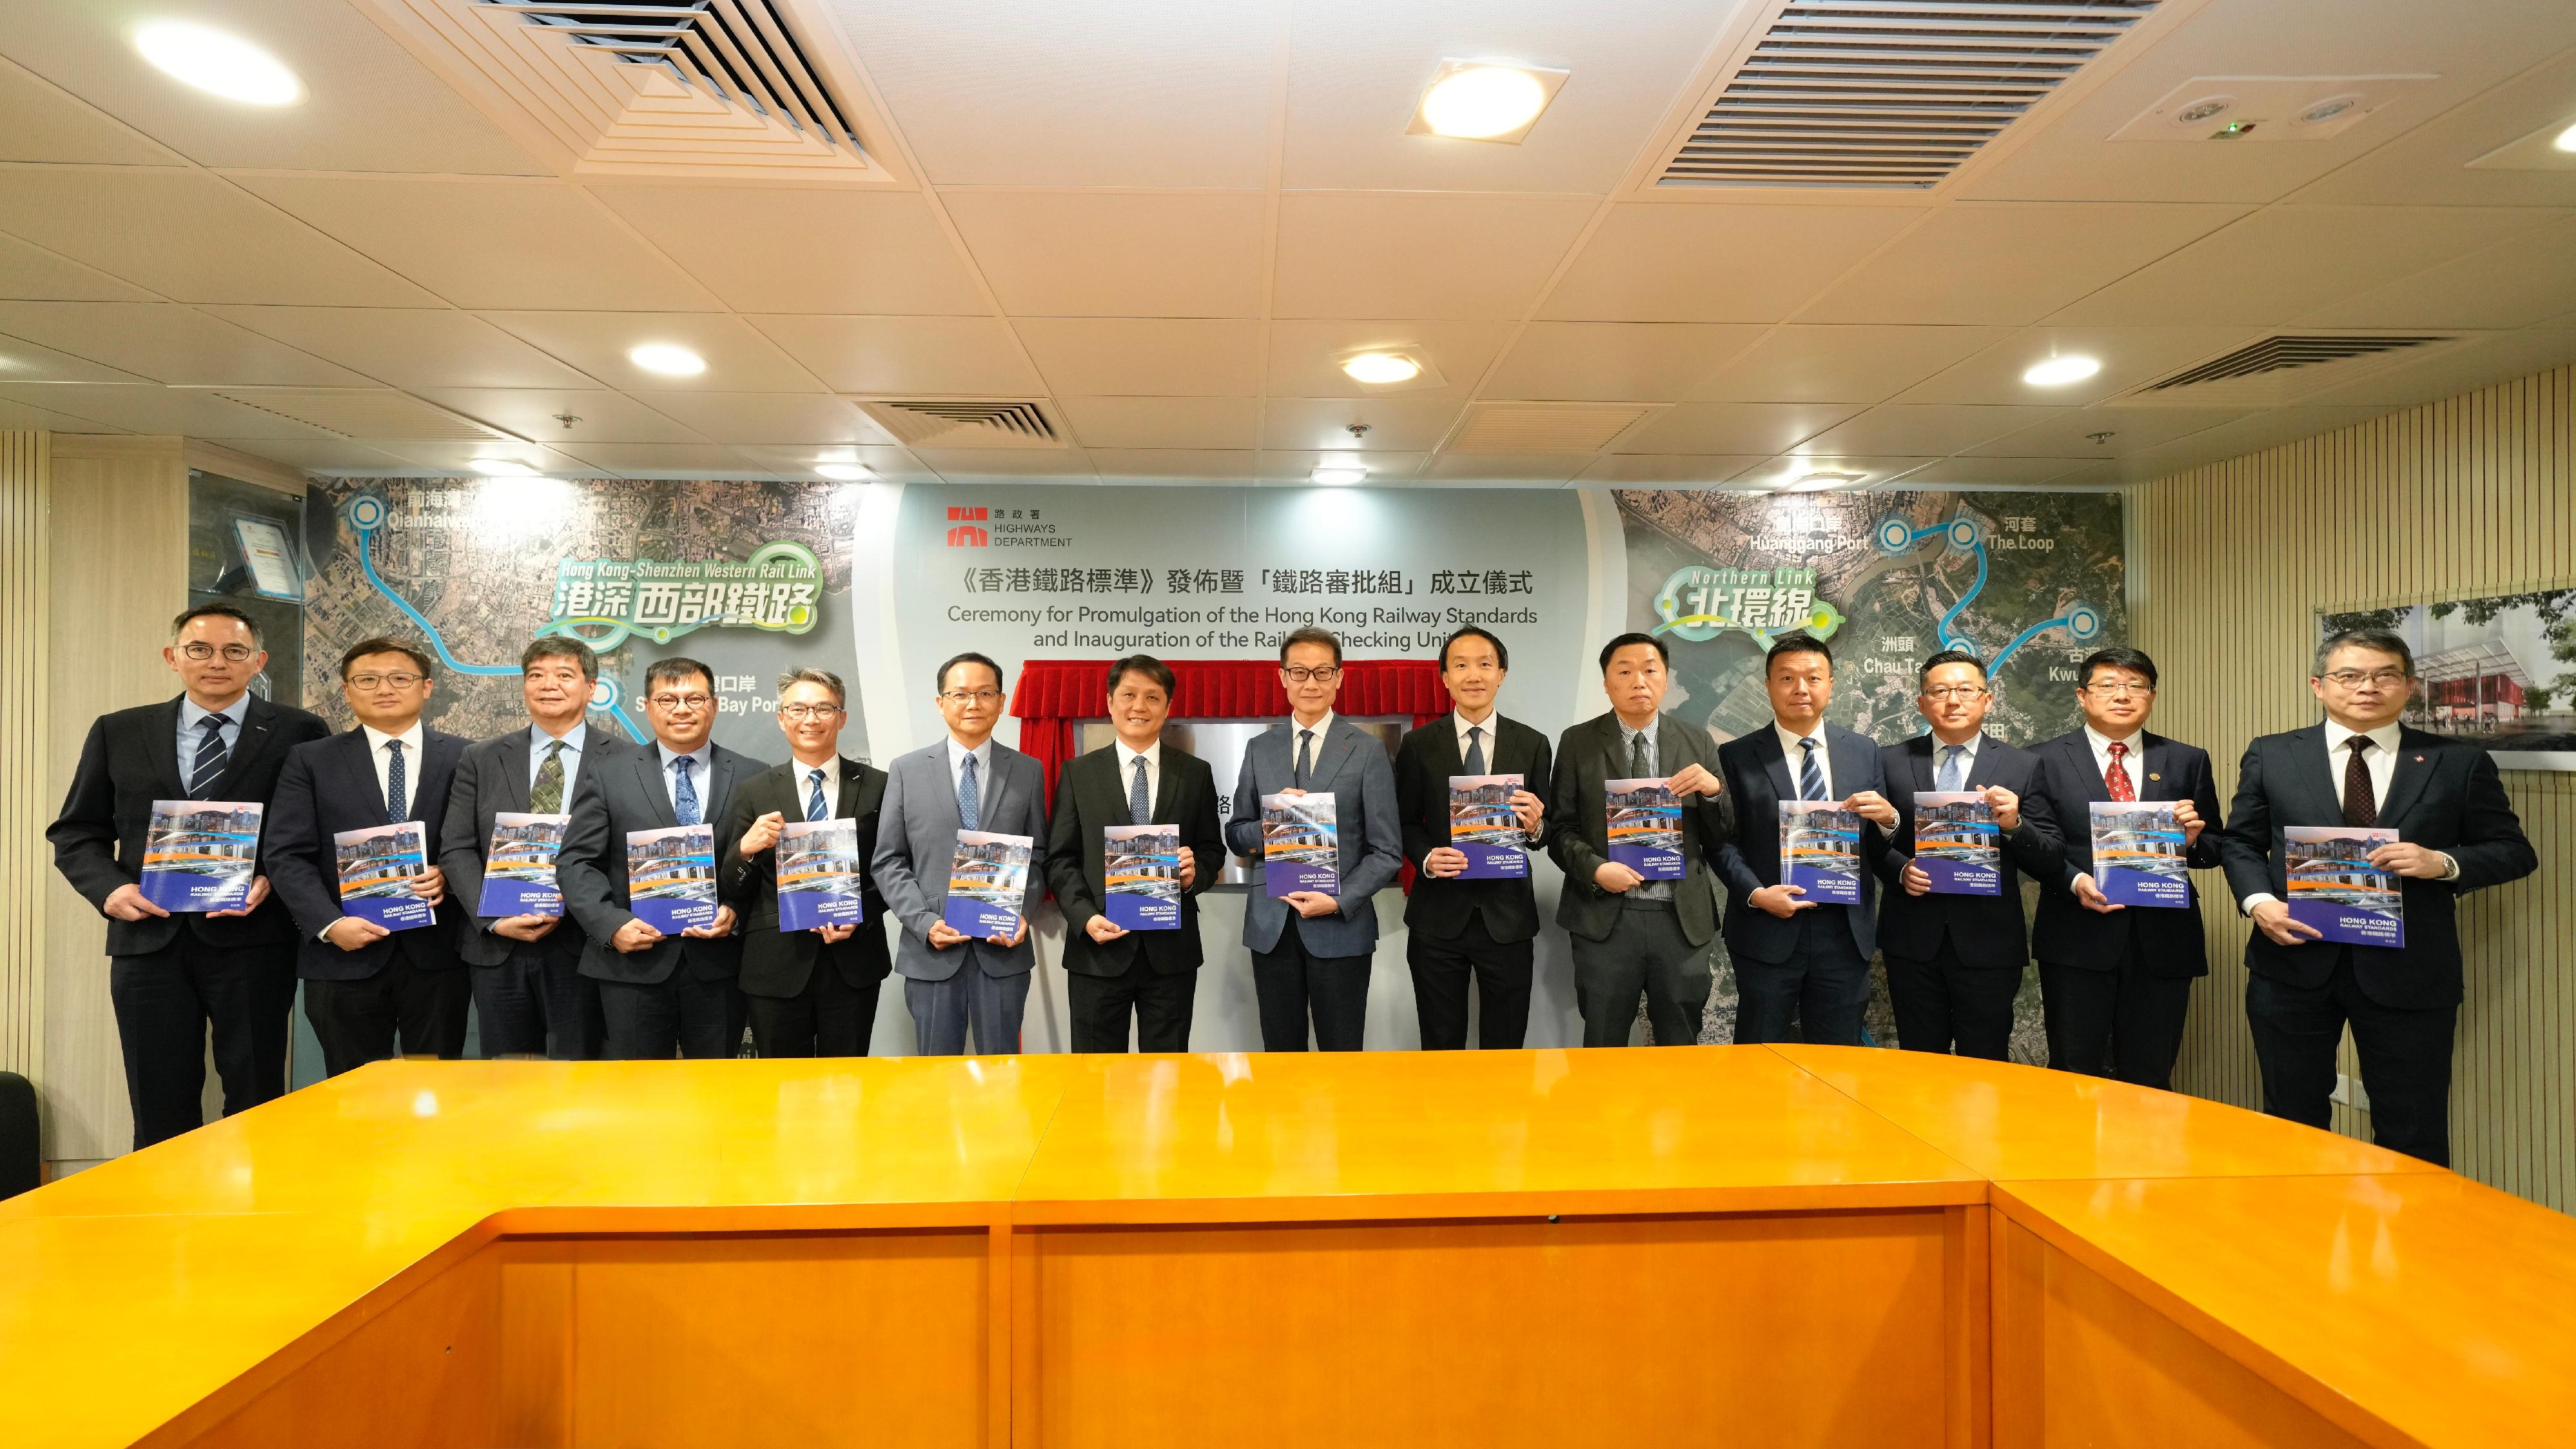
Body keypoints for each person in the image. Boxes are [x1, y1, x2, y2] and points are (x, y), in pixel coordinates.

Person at [2218, 628, 2536, 1166]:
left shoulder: (2456, 761)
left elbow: (2513, 851)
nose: (2367, 686)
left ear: (2408, 686)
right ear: (2318, 685)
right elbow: (2240, 843)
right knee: (2290, 1122)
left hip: (2409, 971)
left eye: (2384, 675)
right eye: (2349, 675)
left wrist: (2444, 863)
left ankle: (2411, 1244)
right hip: (2292, 963)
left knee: (2412, 1128)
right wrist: (2258, 904)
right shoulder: (2272, 754)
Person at [48, 603, 328, 1149]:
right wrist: (112, 891)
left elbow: (314, 828)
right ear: (172, 657)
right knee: (157, 1099)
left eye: (234, 651)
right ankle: (166, 1221)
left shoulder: (300, 731)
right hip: (148, 939)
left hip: (253, 938)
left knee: (256, 1097)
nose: (216, 662)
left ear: (259, 662)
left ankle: (253, 1217)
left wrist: (271, 876)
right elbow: (76, 832)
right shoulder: (119, 731)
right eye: (199, 649)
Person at [265, 639, 470, 1076]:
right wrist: (329, 924)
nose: (385, 689)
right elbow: (286, 853)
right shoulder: (311, 760)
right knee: (352, 1091)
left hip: (438, 955)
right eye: (367, 680)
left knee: (436, 1089)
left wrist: (450, 876)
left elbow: (482, 843)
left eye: (401, 678)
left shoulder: (467, 756)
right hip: (343, 953)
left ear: (427, 687)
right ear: (347, 691)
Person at [2024, 645, 2223, 1090]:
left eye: (2137, 686)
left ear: (2152, 696)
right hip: (2078, 936)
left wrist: (2190, 843)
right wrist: (2075, 882)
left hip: (2164, 939)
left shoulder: (2186, 759)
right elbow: (2036, 846)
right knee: (2074, 1072)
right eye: (2109, 685)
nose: (2123, 695)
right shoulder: (2042, 760)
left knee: (2151, 1075)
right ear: (2082, 695)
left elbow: (2216, 846)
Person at [437, 637, 634, 1060]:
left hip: (586, 943)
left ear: (592, 688)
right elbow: (456, 848)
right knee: (508, 1081)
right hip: (500, 947)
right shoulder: (481, 758)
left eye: (565, 675)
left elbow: (628, 853)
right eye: (536, 676)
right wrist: (494, 919)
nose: (549, 685)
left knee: (583, 1076)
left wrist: (589, 905)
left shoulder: (628, 760)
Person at [556, 658, 753, 1059]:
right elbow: (575, 862)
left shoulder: (753, 775)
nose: (682, 709)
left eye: (695, 698)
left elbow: (764, 867)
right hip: (632, 965)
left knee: (717, 1092)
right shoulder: (610, 774)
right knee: (639, 1100)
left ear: (714, 706)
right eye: (667, 699)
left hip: (719, 966)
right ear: (647, 708)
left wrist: (736, 909)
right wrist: (612, 925)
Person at [1873, 650, 2063, 1061]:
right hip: (1912, 940)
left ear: (1987, 699)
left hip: (1990, 943)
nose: (1953, 700)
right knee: (1920, 1064)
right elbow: (1867, 843)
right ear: (1922, 703)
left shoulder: (2024, 766)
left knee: (1986, 1064)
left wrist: (2014, 824)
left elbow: (2050, 857)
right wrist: (1899, 868)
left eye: (1965, 689)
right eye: (1939, 691)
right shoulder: (1889, 761)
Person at [1223, 627, 1403, 1051]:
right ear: (1283, 677)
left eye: (1323, 672)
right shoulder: (1259, 749)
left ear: (1339, 678)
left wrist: (1340, 900)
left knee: (1341, 1055)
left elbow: (1387, 851)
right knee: (1281, 1056)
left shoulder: (1366, 750)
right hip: (1272, 928)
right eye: (1299, 672)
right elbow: (1236, 835)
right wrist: (1274, 822)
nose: (1311, 683)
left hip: (1340, 925)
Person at [1549, 632, 1732, 1047]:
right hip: (1606, 919)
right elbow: (1560, 829)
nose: (1639, 681)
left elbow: (1721, 833)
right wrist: (1595, 868)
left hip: (1679, 919)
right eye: (1625, 671)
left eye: (1651, 671)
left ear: (1666, 679)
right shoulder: (1578, 742)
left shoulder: (1696, 741)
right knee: (1604, 1042)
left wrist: (1713, 792)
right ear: (1607, 682)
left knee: (1681, 1042)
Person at [1714, 634, 1897, 1046]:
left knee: (1838, 1061)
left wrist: (1890, 819)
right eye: (1787, 678)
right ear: (1768, 685)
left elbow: (1878, 845)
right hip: (1768, 929)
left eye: (1813, 678)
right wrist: (1756, 894)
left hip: (1844, 932)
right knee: (1760, 1056)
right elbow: (1722, 841)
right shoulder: (1735, 756)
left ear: (1831, 684)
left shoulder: (1864, 751)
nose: (1801, 689)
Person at [1043, 655, 1224, 1052]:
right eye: (1128, 695)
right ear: (1110, 703)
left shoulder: (1195, 773)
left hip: (1171, 954)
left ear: (1168, 707)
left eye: (1152, 697)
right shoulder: (1079, 773)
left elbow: (1213, 848)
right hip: (1098, 948)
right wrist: (1085, 917)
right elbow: (1060, 857)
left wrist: (1197, 876)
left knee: (1167, 1073)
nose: (1138, 707)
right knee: (1094, 1075)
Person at [872, 652, 1048, 1056]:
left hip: (1002, 950)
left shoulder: (1027, 770)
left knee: (1004, 1075)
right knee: (936, 1077)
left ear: (1002, 703)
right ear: (940, 703)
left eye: (985, 693)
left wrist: (1022, 913)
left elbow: (1038, 857)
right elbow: (888, 859)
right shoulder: (906, 770)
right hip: (932, 949)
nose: (973, 704)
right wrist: (923, 922)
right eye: (961, 694)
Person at [719, 668, 892, 1058]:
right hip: (775, 963)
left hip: (853, 960)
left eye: (823, 708)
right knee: (783, 1090)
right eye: (797, 708)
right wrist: (746, 850)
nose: (810, 719)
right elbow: (734, 886)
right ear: (782, 718)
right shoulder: (755, 790)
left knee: (847, 1086)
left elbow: (893, 868)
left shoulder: (880, 785)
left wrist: (858, 914)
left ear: (842, 717)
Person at [1394, 626, 1552, 1049]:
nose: (1473, 675)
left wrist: (1536, 825)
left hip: (1508, 917)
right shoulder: (1418, 745)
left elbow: (1545, 829)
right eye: (1460, 665)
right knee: (1440, 1042)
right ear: (1444, 677)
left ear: (1502, 673)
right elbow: (1404, 821)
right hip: (1438, 918)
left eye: (1485, 664)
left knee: (1505, 1044)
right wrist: (1427, 859)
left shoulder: (1533, 744)